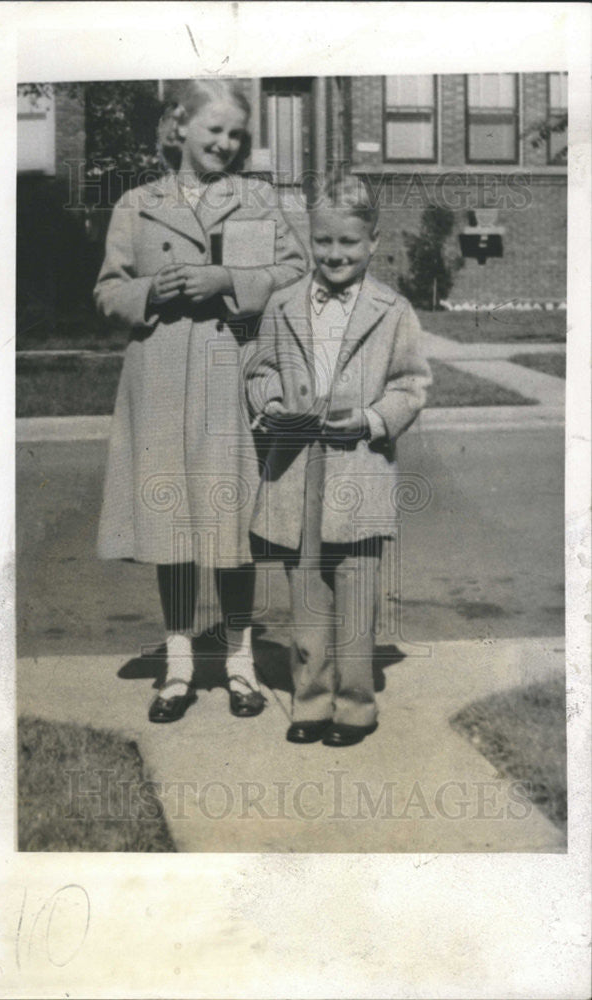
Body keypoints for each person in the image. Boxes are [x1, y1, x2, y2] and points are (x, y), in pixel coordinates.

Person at [94, 79, 308, 723]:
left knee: (228, 519)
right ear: (177, 126)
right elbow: (107, 291)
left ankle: (240, 662)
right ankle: (179, 666)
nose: (225, 143)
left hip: (228, 372)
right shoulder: (138, 202)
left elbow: (296, 271)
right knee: (173, 524)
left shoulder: (258, 199)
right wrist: (151, 293)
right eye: (214, 129)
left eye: (238, 135)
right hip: (159, 375)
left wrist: (229, 280)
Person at [246, 175, 432, 747]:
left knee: (355, 595)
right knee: (307, 594)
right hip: (298, 464)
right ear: (310, 239)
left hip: (359, 467)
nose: (335, 255)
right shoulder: (283, 304)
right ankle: (311, 701)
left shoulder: (392, 310)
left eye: (349, 243)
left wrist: (374, 420)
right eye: (323, 241)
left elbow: (411, 384)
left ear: (373, 241)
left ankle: (355, 707)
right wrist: (271, 401)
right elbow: (260, 368)